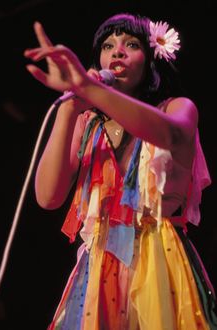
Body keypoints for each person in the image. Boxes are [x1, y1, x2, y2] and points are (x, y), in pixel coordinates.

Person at [24, 12, 217, 330]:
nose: (117, 52)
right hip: (99, 268)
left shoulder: (177, 108)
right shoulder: (88, 124)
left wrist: (90, 87)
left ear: (150, 59)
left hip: (160, 261)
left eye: (131, 44)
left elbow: (171, 136)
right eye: (108, 45)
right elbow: (48, 196)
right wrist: (71, 106)